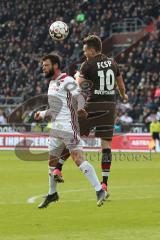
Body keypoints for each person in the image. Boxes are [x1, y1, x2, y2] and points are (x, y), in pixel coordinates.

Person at [53, 35, 128, 195]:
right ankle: (105, 184)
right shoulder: (113, 63)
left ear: (93, 50)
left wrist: (76, 77)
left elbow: (78, 83)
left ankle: (58, 168)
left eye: (85, 49)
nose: (83, 52)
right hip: (110, 106)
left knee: (73, 135)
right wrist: (124, 96)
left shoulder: (88, 64)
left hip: (93, 105)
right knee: (106, 146)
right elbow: (120, 84)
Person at [34, 54, 107, 208]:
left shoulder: (67, 80)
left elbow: (79, 95)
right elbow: (54, 108)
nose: (43, 68)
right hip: (55, 128)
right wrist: (42, 114)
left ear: (55, 65)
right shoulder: (52, 83)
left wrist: (80, 107)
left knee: (78, 158)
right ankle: (52, 193)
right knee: (51, 163)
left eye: (46, 65)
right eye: (43, 65)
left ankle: (100, 190)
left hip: (68, 126)